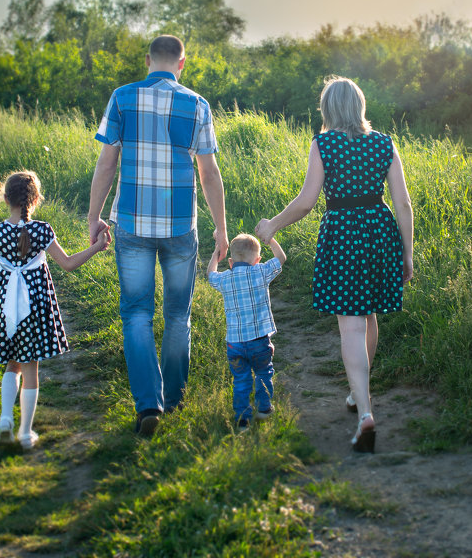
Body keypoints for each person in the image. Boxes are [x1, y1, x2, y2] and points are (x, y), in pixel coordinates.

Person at [255, 77, 414, 453]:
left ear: (327, 109)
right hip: (380, 231)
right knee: (369, 315)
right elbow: (403, 203)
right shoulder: (384, 143)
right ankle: (358, 395)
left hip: (343, 235)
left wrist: (272, 224)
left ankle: (365, 413)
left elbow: (307, 201)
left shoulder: (323, 143)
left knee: (351, 326)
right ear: (359, 105)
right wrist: (407, 252)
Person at [88, 34, 228, 437]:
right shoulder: (196, 104)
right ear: (182, 64)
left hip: (131, 224)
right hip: (181, 227)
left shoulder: (122, 97)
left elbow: (106, 163)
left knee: (136, 313)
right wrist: (220, 229)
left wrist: (95, 216)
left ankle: (148, 403)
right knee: (177, 315)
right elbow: (209, 173)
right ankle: (175, 399)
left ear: (148, 60)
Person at [0, 170, 111, 450]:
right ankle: (25, 433)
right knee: (30, 369)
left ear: (5, 198)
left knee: (11, 364)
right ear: (36, 199)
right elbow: (68, 263)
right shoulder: (42, 230)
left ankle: (5, 420)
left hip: (3, 306)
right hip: (35, 308)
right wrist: (97, 248)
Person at [206, 233, 286, 429]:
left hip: (235, 344)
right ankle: (264, 409)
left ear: (231, 262)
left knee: (240, 380)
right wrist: (270, 239)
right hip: (259, 342)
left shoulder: (225, 279)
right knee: (263, 373)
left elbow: (210, 274)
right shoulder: (261, 272)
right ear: (258, 260)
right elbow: (281, 258)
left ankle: (243, 419)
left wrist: (217, 251)